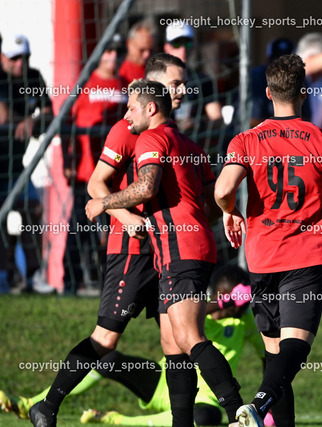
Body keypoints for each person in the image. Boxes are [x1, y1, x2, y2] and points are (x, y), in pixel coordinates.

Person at [26, 54, 201, 427]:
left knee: (176, 341)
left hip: (168, 251)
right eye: (176, 83)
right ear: (154, 89)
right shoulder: (127, 129)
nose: (184, 90)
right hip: (132, 251)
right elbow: (96, 184)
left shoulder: (174, 135)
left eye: (184, 84)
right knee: (105, 338)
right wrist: (126, 217)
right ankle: (48, 405)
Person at [83, 79, 244, 427]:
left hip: (181, 249)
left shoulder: (151, 138)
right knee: (172, 345)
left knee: (188, 337)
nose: (127, 114)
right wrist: (222, 214)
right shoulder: (190, 144)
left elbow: (146, 187)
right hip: (185, 248)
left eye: (131, 107)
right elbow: (211, 203)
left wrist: (103, 202)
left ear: (151, 108)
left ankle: (239, 412)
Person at [215, 53, 322, 427]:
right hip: (305, 255)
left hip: (262, 257)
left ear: (268, 93)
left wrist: (230, 211)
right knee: (293, 351)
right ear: (304, 93)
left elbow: (223, 190)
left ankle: (262, 409)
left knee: (276, 357)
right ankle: (258, 405)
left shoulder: (246, 139)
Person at [3, 265, 268, 426]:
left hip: (204, 398)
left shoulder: (244, 322)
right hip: (164, 381)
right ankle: (34, 404)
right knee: (108, 359)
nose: (237, 308)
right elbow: (199, 309)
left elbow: (265, 355)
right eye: (234, 300)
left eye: (241, 303)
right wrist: (222, 302)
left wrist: (265, 407)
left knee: (207, 418)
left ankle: (117, 420)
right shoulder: (198, 312)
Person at [61, 34, 128, 294]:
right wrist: (67, 160)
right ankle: (70, 282)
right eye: (108, 50)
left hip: (117, 174)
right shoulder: (84, 85)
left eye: (117, 51)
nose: (113, 56)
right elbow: (64, 124)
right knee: (79, 229)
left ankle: (106, 282)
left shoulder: (124, 86)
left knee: (113, 230)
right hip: (87, 173)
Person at [0, 33, 53, 294]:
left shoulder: (33, 77)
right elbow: (2, 117)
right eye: (14, 58)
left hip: (14, 165)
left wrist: (33, 120)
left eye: (24, 57)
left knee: (32, 208)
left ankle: (33, 274)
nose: (20, 63)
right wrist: (26, 119)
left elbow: (50, 114)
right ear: (2, 58)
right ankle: (4, 275)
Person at [163, 22, 223, 134]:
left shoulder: (202, 80)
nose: (183, 49)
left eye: (187, 44)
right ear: (166, 47)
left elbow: (216, 118)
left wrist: (197, 124)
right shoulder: (155, 79)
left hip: (193, 140)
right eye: (177, 44)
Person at [250, 37, 295, 127]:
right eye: (276, 64)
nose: (281, 69)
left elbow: (305, 117)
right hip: (260, 132)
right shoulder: (257, 76)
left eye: (287, 65)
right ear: (267, 60)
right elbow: (252, 121)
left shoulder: (299, 78)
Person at [119, 19, 156, 85]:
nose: (147, 54)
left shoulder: (156, 70)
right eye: (142, 50)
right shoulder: (120, 73)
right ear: (129, 43)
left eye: (150, 50)